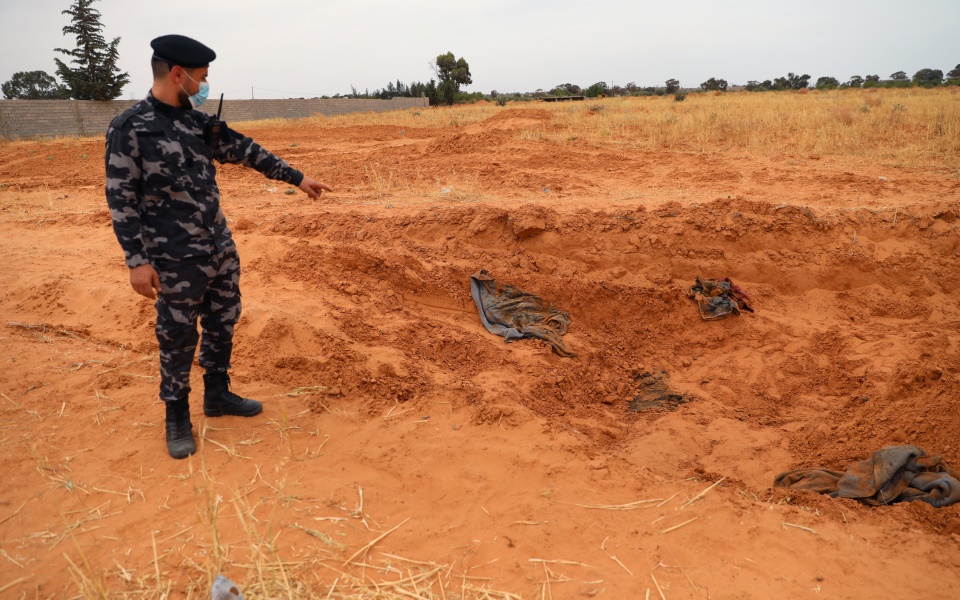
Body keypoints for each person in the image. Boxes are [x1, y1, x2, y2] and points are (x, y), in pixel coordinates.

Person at [105, 34, 332, 459]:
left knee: (223, 320)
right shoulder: (130, 128)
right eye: (202, 76)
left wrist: (298, 178)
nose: (205, 84)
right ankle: (176, 415)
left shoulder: (198, 124)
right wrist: (136, 261)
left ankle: (217, 394)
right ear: (178, 74)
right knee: (177, 335)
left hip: (218, 249)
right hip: (173, 258)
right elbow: (121, 199)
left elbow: (247, 151)